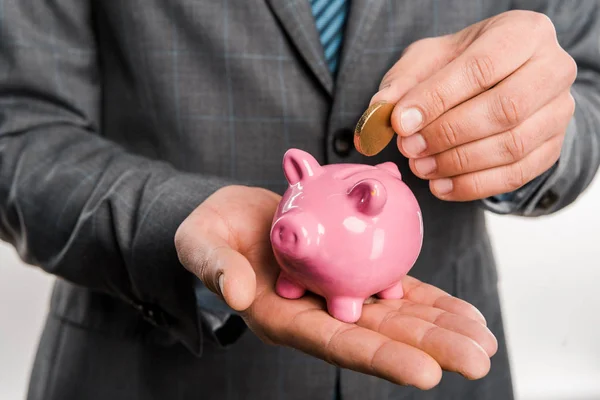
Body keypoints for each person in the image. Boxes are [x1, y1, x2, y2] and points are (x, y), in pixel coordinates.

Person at [0, 1, 598, 399]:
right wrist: (175, 216)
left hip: (448, 370)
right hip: (144, 371)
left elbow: (585, 81)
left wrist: (527, 135)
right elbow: (18, 125)